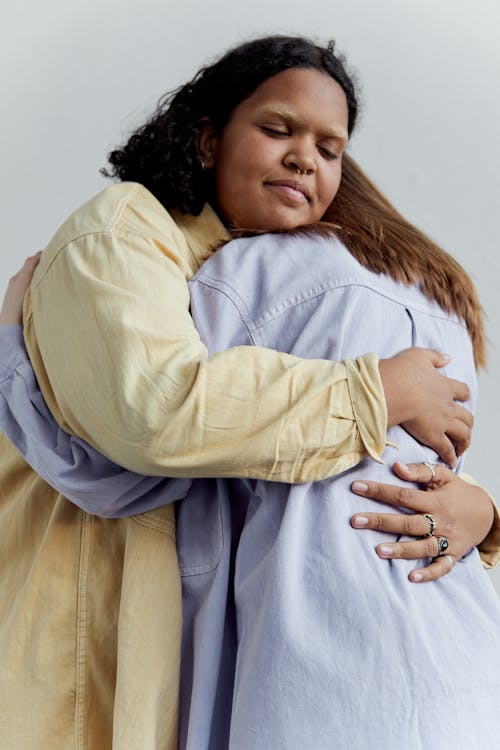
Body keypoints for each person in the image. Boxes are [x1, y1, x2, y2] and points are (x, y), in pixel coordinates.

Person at [0, 35, 499, 750]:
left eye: (331, 149)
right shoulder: (124, 233)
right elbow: (155, 419)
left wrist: (478, 509)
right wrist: (374, 394)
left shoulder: (250, 268)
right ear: (208, 140)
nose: (306, 157)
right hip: (81, 640)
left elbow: (287, 434)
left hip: (177, 656)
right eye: (277, 129)